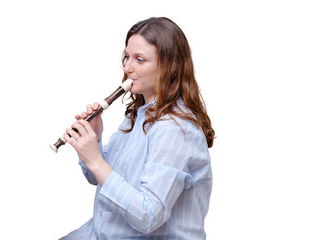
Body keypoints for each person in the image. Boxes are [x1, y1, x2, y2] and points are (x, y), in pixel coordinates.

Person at [60, 17, 215, 240]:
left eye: (139, 60)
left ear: (169, 66)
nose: (127, 67)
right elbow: (100, 179)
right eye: (127, 57)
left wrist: (95, 160)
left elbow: (148, 216)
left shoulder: (176, 130)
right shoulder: (139, 113)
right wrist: (94, 139)